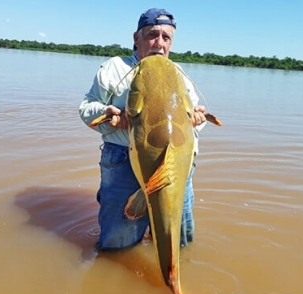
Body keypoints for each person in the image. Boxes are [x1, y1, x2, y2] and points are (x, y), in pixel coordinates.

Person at [79, 8, 208, 251]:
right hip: (123, 160)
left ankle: (169, 273)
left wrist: (197, 119)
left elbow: (191, 122)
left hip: (177, 166)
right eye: (152, 35)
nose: (159, 43)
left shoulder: (179, 74)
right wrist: (107, 115)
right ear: (136, 38)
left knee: (178, 238)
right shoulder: (115, 68)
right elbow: (86, 107)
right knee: (118, 243)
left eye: (166, 37)